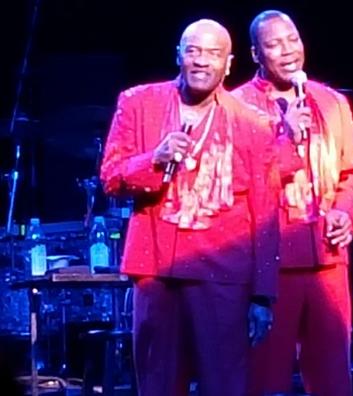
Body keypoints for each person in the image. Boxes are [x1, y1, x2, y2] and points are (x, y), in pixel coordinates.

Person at [99, 19, 279, 396]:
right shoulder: (138, 103)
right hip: (156, 268)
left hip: (224, 273)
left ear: (228, 64)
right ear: (178, 56)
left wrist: (263, 295)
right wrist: (153, 159)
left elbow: (264, 214)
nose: (201, 61)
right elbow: (111, 177)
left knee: (225, 383)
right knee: (157, 382)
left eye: (213, 53)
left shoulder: (254, 124)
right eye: (193, 50)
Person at [231, 10, 353, 396]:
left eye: (293, 40)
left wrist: (346, 211)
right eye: (274, 44)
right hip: (268, 267)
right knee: (264, 379)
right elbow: (242, 183)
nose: (288, 51)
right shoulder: (237, 108)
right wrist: (285, 136)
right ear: (256, 54)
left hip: (327, 260)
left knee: (333, 380)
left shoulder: (332, 102)